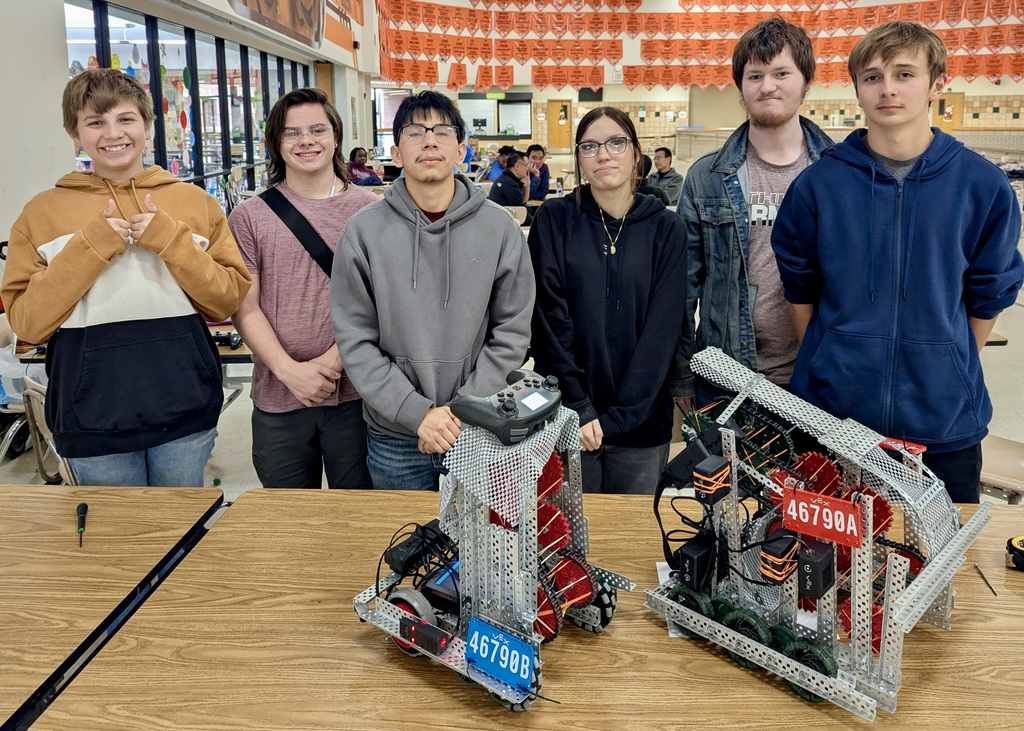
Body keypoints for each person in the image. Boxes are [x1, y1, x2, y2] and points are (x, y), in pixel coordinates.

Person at [772, 21, 1024, 502]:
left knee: (943, 564)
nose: (887, 89)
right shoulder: (819, 185)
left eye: (904, 74)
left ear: (937, 84)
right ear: (857, 90)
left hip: (943, 426)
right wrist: (831, 355)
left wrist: (945, 359)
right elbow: (800, 289)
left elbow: (990, 293)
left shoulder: (982, 186)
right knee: (827, 565)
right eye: (872, 77)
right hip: (833, 421)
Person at [0, 68, 251, 486]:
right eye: (95, 122)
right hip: (90, 414)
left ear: (148, 126)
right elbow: (28, 323)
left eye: (126, 119)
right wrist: (91, 247)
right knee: (117, 544)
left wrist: (171, 240)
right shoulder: (41, 212)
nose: (112, 133)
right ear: (74, 134)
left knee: (181, 531)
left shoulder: (195, 204)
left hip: (186, 404)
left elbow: (224, 300)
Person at [331, 90, 535, 490]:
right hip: (395, 436)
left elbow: (512, 330)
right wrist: (417, 413)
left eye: (442, 131)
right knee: (404, 545)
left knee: (480, 548)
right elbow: (354, 338)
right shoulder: (363, 231)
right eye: (414, 132)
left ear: (461, 150)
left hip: (478, 430)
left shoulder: (500, 229)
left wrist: (463, 411)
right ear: (394, 153)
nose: (429, 141)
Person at [673, 17, 833, 410]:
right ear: (741, 87)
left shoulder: (839, 174)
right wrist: (681, 376)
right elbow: (681, 287)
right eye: (755, 75)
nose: (768, 86)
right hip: (726, 373)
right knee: (720, 474)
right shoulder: (705, 177)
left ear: (805, 81)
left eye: (782, 73)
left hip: (818, 375)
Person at [529, 107, 688, 494]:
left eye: (616, 143)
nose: (604, 155)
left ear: (636, 154)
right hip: (568, 417)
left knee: (629, 541)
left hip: (643, 423)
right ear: (579, 160)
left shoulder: (666, 228)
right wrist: (579, 406)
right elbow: (547, 320)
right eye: (589, 146)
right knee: (566, 541)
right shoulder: (554, 220)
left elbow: (662, 332)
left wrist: (620, 418)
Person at [230, 88, 378, 490]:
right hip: (278, 398)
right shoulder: (249, 217)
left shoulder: (371, 211)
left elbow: (381, 303)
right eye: (292, 133)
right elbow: (246, 309)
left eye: (317, 129)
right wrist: (290, 372)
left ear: (335, 136)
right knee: (288, 523)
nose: (306, 141)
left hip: (358, 396)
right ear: (276, 144)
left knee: (359, 518)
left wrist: (332, 364)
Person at [488, 151, 532, 223]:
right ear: (517, 166)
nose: (527, 169)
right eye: (526, 165)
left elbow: (522, 205)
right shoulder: (510, 184)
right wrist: (537, 224)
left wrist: (527, 186)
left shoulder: (506, 179)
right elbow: (522, 213)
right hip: (501, 223)